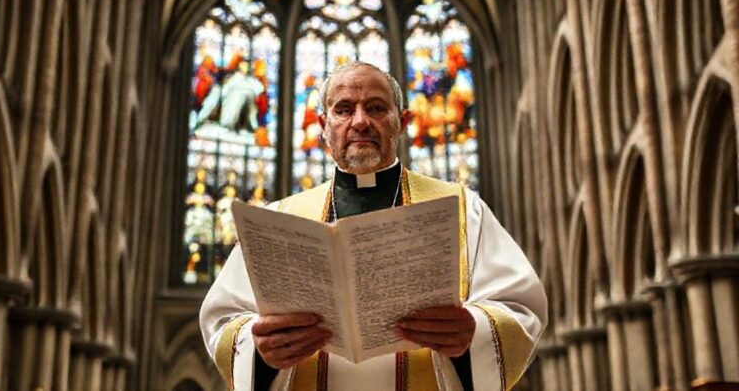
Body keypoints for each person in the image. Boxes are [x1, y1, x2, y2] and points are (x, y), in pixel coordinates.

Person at [200, 62, 547, 391]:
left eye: (377, 108)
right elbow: (223, 320)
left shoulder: (462, 209)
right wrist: (261, 350)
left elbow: (520, 308)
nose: (361, 121)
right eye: (344, 109)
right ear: (323, 126)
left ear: (402, 121)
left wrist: (474, 331)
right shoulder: (282, 218)